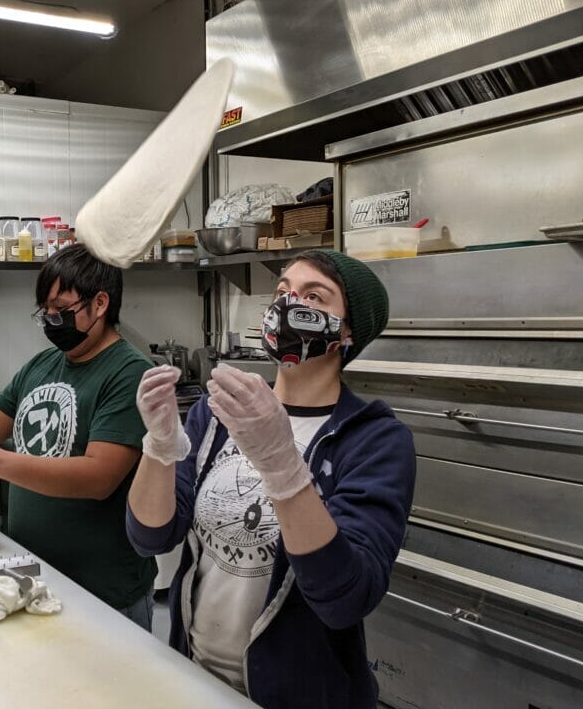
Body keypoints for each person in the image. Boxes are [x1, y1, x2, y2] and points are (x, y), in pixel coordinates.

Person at [126, 249, 416, 708]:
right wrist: (160, 447)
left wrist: (282, 464)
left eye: (314, 297)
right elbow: (150, 536)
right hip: (195, 677)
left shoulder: (376, 441)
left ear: (346, 333)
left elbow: (345, 598)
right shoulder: (217, 412)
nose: (288, 304)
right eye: (283, 291)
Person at [0, 243, 157, 628]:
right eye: (45, 311)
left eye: (61, 310)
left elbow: (99, 477)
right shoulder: (43, 364)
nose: (51, 319)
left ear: (100, 304)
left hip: (105, 592)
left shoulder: (129, 373)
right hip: (35, 576)